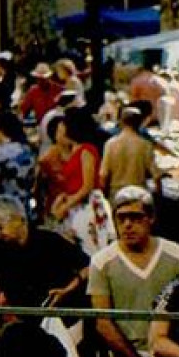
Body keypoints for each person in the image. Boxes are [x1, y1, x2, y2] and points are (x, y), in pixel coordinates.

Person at [87, 186, 179, 357]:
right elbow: (103, 322)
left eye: (135, 217)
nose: (127, 225)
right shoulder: (102, 262)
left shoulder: (175, 255)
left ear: (150, 218)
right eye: (121, 218)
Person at [46, 106, 114, 255]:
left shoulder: (87, 150)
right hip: (77, 205)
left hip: (88, 204)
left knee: (93, 249)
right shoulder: (74, 150)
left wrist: (66, 205)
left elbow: (87, 186)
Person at [99, 101, 156, 198]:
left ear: (121, 122)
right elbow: (156, 174)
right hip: (138, 192)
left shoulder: (110, 144)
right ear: (139, 123)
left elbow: (103, 175)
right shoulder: (145, 145)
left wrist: (104, 195)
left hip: (116, 193)